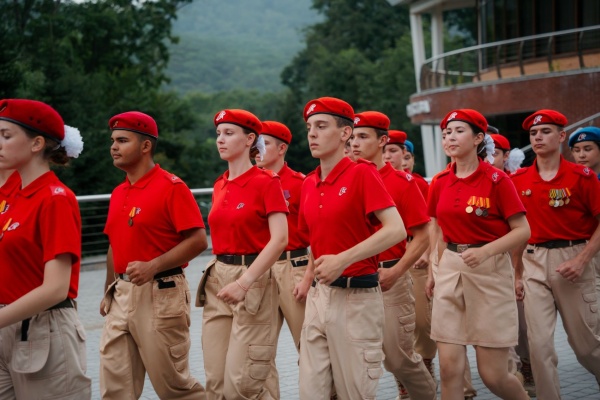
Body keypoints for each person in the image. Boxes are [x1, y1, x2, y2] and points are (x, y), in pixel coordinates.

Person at [294, 97, 406, 399]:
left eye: (321, 126)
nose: (312, 133)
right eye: (309, 127)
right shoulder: (308, 183)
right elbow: (316, 240)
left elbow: (396, 229)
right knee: (311, 393)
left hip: (357, 300)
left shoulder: (362, 173)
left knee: (354, 393)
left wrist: (343, 259)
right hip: (319, 298)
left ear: (345, 133)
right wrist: (309, 279)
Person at [99, 111, 207, 399]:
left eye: (123, 140)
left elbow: (198, 240)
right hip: (120, 295)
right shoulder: (118, 192)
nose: (113, 147)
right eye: (113, 140)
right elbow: (114, 245)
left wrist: (153, 265)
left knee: (174, 389)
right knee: (115, 390)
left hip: (161, 293)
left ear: (146, 146)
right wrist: (108, 291)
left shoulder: (171, 187)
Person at [427, 109, 530, 400]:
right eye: (446, 133)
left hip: (489, 272)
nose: (450, 137)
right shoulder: (439, 181)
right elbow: (438, 230)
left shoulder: (497, 180)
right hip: (450, 269)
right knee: (449, 370)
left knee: (493, 375)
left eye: (459, 131)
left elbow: (522, 230)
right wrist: (435, 271)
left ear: (478, 139)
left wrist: (485, 251)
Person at [0, 98, 91, 399]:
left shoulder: (55, 199)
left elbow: (55, 288)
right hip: (7, 326)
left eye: (6, 135)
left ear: (37, 143)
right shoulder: (10, 198)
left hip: (44, 330)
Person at [196, 109, 288, 400]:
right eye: (218, 134)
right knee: (215, 382)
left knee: (243, 383)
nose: (220, 140)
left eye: (228, 133)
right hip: (217, 278)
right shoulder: (219, 184)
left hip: (252, 280)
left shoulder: (267, 181)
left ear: (250, 140)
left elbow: (280, 239)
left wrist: (244, 282)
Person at [511, 110, 600, 400]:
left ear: (561, 136)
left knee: (587, 347)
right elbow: (518, 232)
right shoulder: (518, 179)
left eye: (545, 131)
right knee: (539, 347)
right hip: (533, 260)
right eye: (533, 133)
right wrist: (517, 274)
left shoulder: (582, 177)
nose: (538, 137)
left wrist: (582, 260)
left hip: (574, 259)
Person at [350, 111, 436, 400]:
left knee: (398, 358)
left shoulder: (403, 182)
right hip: (352, 280)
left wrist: (397, 271)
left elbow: (423, 235)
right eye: (352, 137)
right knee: (357, 360)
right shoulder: (345, 180)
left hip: (390, 278)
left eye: (363, 136)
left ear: (382, 141)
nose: (354, 143)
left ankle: (424, 392)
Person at [254, 120, 309, 396]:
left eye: (264, 143)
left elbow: (318, 232)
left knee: (309, 345)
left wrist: (309, 276)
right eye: (256, 143)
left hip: (293, 268)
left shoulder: (300, 183)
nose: (258, 149)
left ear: (282, 148)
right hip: (259, 270)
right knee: (258, 350)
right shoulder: (250, 182)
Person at [569, 126, 600, 304]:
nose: (581, 155)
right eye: (576, 150)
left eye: (588, 149)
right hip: (579, 250)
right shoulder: (571, 181)